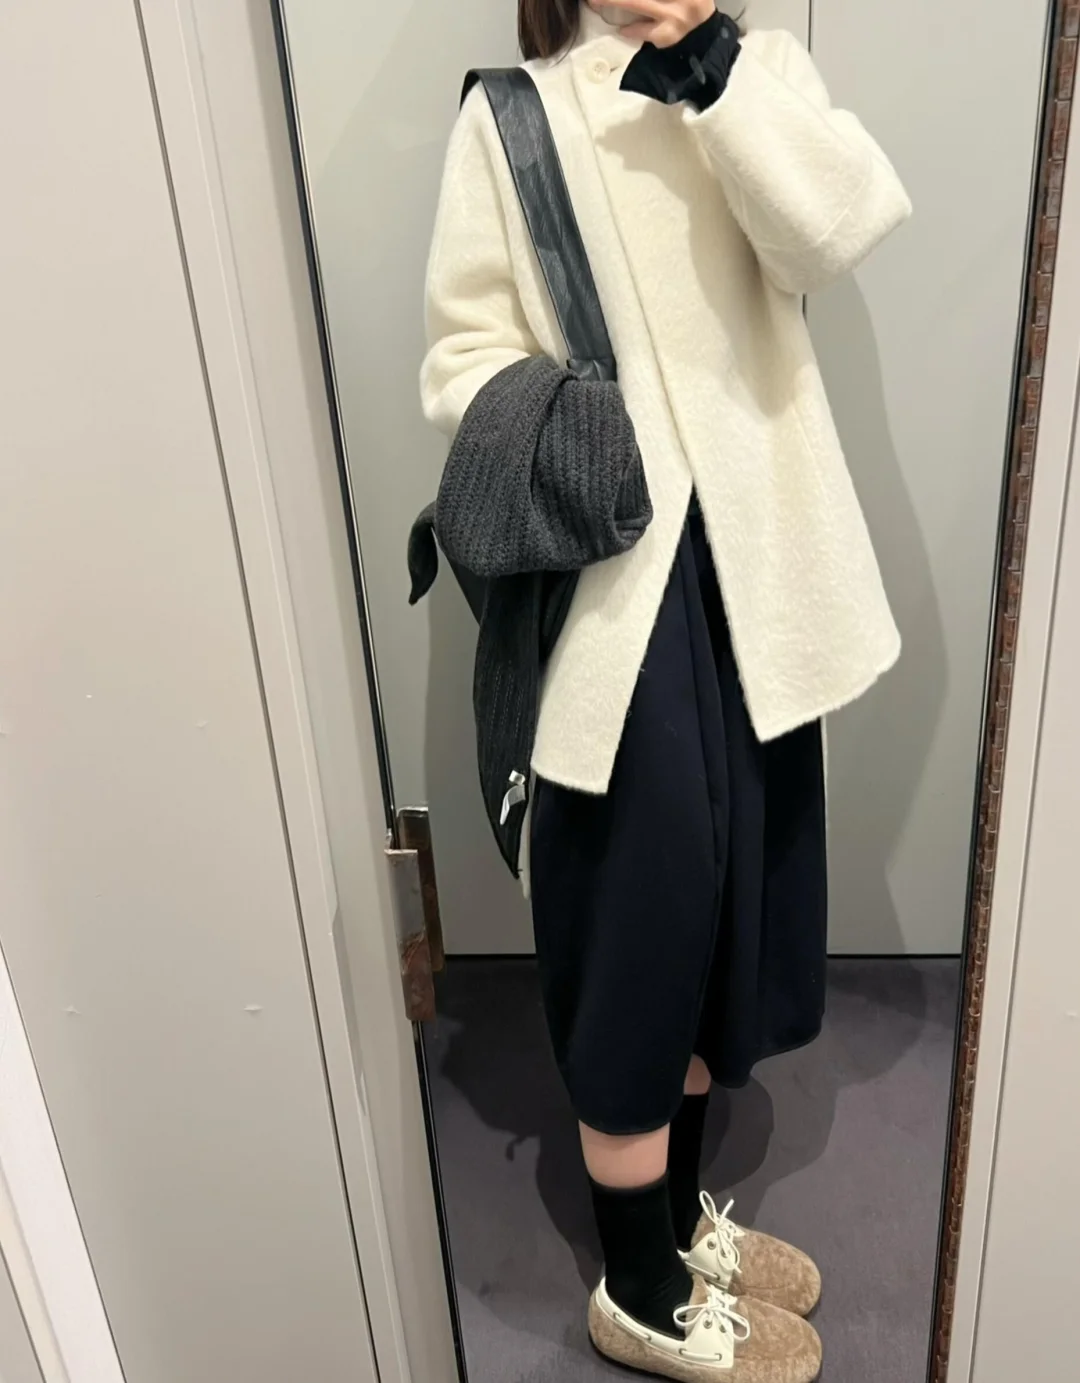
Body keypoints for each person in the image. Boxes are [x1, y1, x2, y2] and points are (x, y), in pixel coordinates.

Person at [420, 2, 911, 1378]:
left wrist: (709, 69)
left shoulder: (756, 74)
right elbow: (460, 357)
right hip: (616, 590)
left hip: (759, 581)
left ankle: (679, 1224)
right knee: (640, 927)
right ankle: (636, 1287)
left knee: (725, 927)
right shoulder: (516, 116)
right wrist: (581, 428)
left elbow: (836, 230)